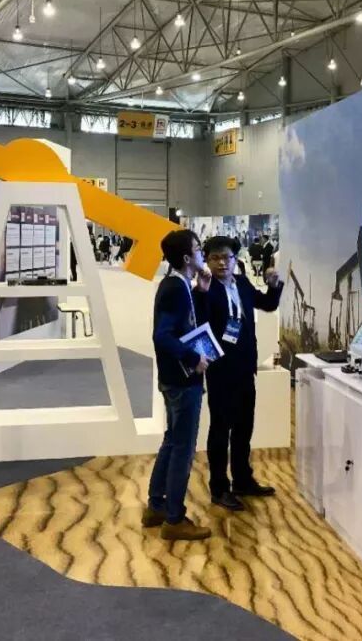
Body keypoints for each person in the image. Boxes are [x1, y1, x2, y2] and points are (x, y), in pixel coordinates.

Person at [199, 235, 284, 511]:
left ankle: (243, 480)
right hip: (220, 370)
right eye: (215, 258)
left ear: (236, 259)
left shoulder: (242, 283)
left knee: (244, 427)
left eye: (227, 257)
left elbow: (268, 304)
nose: (222, 263)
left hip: (246, 366)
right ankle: (219, 487)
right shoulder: (205, 289)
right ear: (207, 260)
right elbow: (199, 327)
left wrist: (274, 286)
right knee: (220, 429)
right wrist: (207, 362)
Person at [144, 229, 214, 541]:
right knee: (183, 449)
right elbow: (163, 335)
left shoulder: (180, 285)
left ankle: (157, 506)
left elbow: (183, 323)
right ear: (187, 257)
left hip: (176, 379)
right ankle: (174, 519)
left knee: (172, 441)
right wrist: (193, 357)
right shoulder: (174, 288)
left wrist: (200, 292)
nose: (202, 254)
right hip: (182, 381)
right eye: (198, 249)